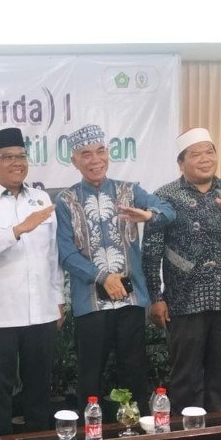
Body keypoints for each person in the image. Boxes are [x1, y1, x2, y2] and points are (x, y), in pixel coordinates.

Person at [143, 128, 221, 413]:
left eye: (209, 152)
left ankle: (219, 434)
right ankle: (187, 435)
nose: (205, 159)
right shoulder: (165, 197)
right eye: (195, 154)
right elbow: (151, 251)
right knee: (185, 377)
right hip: (184, 300)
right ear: (181, 163)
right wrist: (155, 297)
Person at [56, 124, 175, 414]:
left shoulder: (129, 191)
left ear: (108, 154)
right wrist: (102, 277)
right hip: (90, 303)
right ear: (74, 161)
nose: (95, 160)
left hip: (130, 300)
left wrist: (149, 215)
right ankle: (91, 434)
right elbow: (66, 254)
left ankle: (137, 430)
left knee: (134, 371)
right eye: (86, 154)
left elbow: (169, 211)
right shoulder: (66, 200)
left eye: (100, 152)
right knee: (90, 376)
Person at [0, 127, 64, 439]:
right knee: (0, 393)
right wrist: (17, 230)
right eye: (7, 157)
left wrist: (59, 298)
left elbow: (53, 254)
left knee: (39, 390)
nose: (17, 162)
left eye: (21, 156)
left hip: (42, 311)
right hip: (0, 316)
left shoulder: (41, 199)